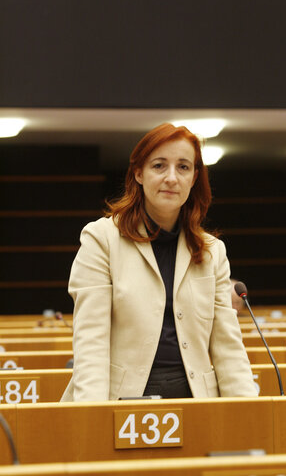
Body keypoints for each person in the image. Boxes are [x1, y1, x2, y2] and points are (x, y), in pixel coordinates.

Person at [61, 123, 257, 402]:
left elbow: (228, 347)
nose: (171, 178)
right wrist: (93, 415)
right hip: (122, 396)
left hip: (197, 397)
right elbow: (91, 341)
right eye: (159, 166)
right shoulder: (101, 238)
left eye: (183, 167)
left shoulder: (213, 251)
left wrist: (248, 410)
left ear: (194, 178)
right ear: (139, 173)